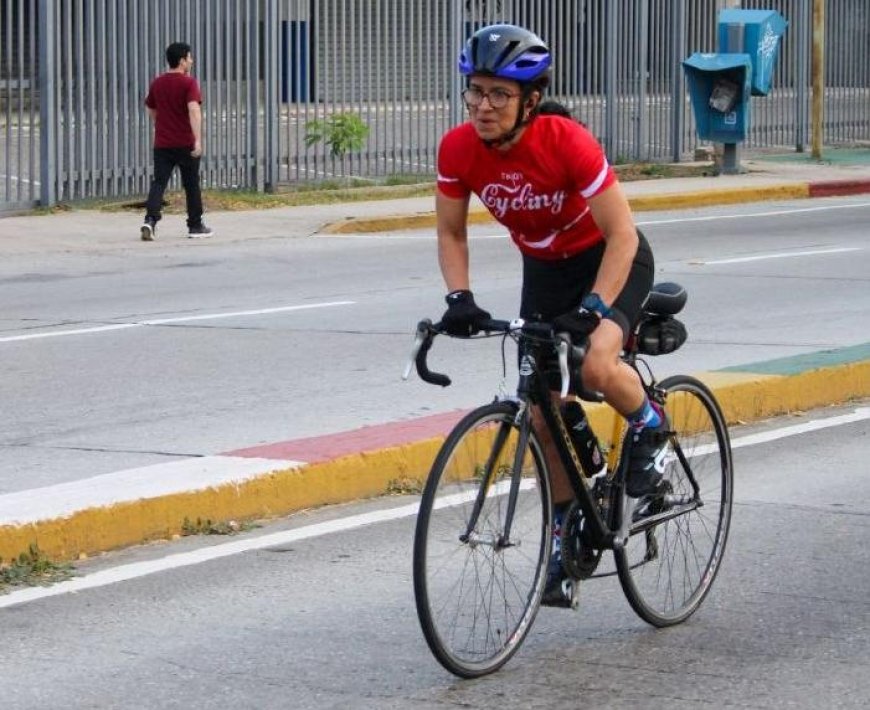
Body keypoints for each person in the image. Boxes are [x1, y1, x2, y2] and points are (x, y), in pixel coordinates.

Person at [435, 24, 667, 609]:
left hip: (609, 259)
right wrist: (458, 299)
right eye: (475, 91)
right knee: (539, 408)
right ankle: (569, 530)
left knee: (592, 365)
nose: (483, 106)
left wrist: (593, 311)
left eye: (499, 95)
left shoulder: (566, 142)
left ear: (529, 100)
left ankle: (650, 427)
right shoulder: (458, 149)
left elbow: (623, 234)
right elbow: (450, 229)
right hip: (544, 269)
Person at [141, 42, 213, 241]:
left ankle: (150, 220)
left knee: (159, 183)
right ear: (182, 61)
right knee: (191, 184)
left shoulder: (157, 82)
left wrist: (160, 124)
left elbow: (150, 108)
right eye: (189, 57)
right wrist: (197, 140)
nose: (192, 60)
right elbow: (194, 110)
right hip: (185, 142)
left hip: (163, 143)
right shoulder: (188, 83)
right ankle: (195, 225)